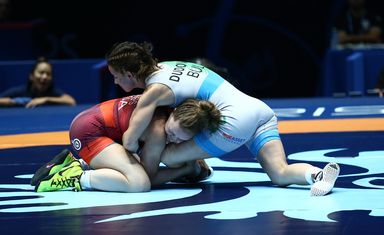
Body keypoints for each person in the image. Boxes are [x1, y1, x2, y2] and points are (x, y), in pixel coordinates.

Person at [105, 41, 341, 196]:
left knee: (163, 155)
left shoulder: (154, 90)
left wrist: (123, 160)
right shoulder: (168, 66)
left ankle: (193, 167)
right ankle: (318, 175)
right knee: (279, 174)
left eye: (116, 77)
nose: (116, 82)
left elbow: (130, 139)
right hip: (259, 109)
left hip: (233, 121)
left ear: (129, 73)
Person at [33, 95, 222, 192]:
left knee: (138, 159)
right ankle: (75, 175)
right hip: (88, 134)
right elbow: (150, 178)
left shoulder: (167, 102)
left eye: (181, 139)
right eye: (172, 132)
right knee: (138, 183)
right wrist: (184, 170)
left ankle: (78, 162)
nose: (173, 139)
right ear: (173, 113)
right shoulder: (158, 131)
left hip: (92, 120)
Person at [0, 57, 76, 108]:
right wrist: (13, 102)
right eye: (41, 73)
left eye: (48, 74)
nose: (44, 77)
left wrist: (45, 99)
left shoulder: (52, 92)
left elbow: (71, 101)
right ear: (31, 76)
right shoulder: (19, 91)